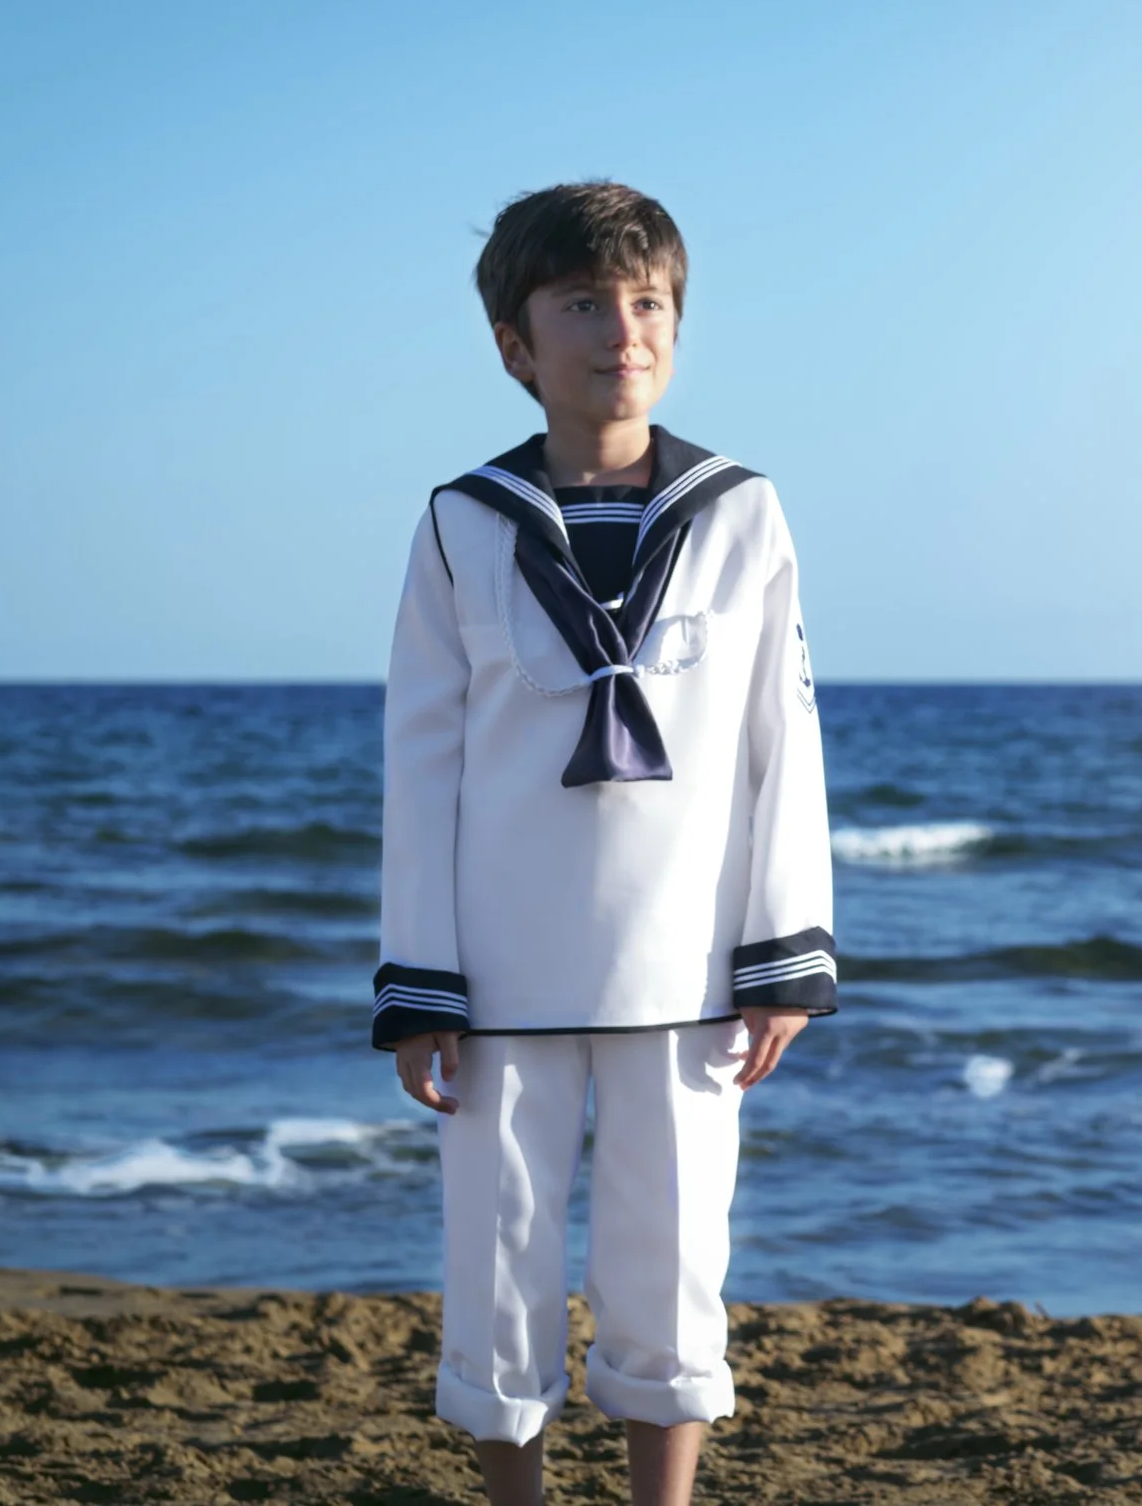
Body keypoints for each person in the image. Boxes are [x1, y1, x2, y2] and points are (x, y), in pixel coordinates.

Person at [373, 181, 836, 1506]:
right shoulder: (462, 524)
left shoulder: (742, 510)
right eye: (582, 302)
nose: (621, 330)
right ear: (519, 342)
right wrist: (421, 978)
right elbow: (421, 760)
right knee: (497, 1262)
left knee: (674, 1262)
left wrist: (784, 953)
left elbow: (781, 742)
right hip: (505, 973)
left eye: (647, 302)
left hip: (687, 970)